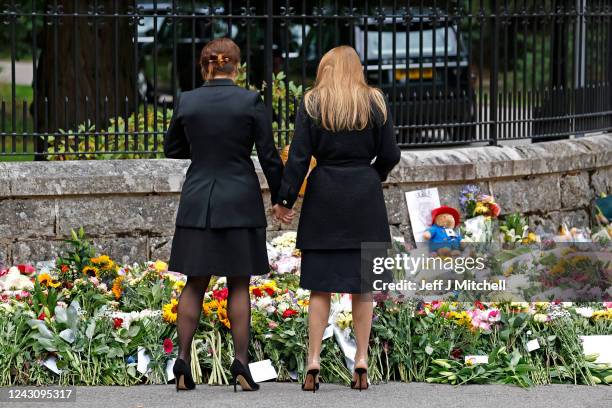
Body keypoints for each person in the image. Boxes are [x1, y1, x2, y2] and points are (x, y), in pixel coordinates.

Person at [273, 45, 401, 392]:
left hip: (324, 197)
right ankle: (361, 358)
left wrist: (284, 200)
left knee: (320, 287)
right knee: (364, 289)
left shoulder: (313, 103)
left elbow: (299, 157)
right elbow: (390, 153)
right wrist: (373, 175)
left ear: (327, 69)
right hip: (365, 199)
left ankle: (313, 359)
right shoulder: (375, 102)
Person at [164, 37, 284, 392]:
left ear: (205, 67)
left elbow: (172, 147)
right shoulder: (250, 101)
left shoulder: (187, 100)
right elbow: (268, 155)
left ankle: (183, 361)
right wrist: (282, 198)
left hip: (199, 200)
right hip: (240, 202)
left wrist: (200, 147)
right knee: (239, 282)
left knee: (195, 281)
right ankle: (242, 364)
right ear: (237, 66)